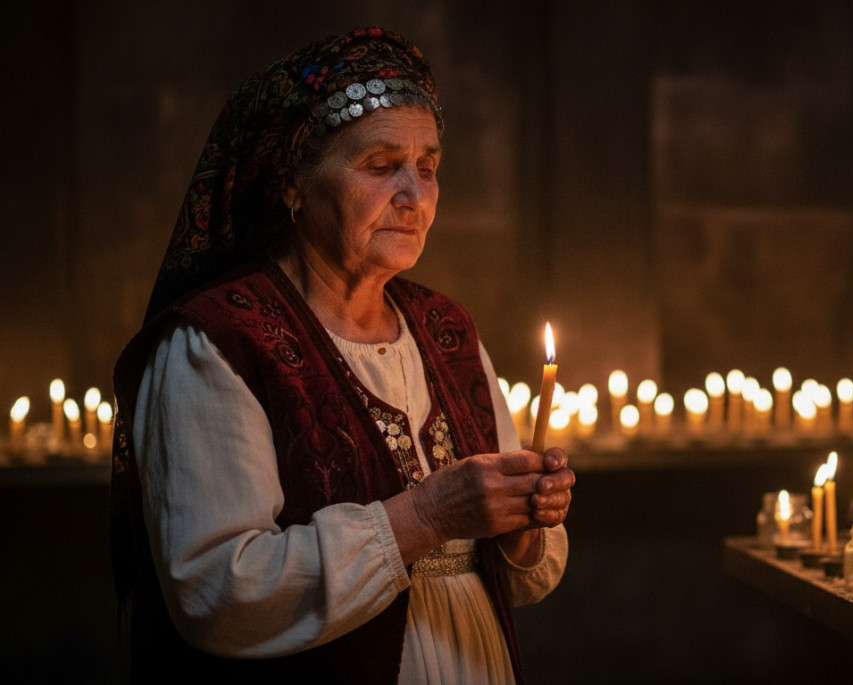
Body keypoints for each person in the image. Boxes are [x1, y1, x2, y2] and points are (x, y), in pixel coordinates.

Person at [109, 27, 573, 684]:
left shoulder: (447, 328)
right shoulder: (217, 341)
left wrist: (524, 522)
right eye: (381, 166)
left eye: (428, 168)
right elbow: (216, 591)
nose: (414, 196)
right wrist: (426, 515)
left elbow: (519, 575)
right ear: (291, 185)